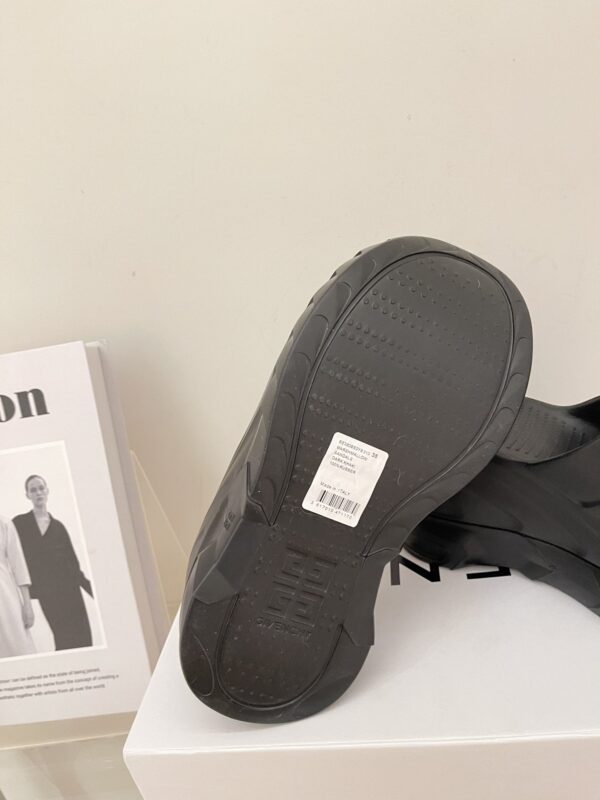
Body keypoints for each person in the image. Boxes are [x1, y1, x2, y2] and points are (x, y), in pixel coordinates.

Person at [13, 475, 94, 651]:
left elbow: (74, 567)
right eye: (33, 490)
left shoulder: (59, 527)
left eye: (41, 488)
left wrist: (94, 592)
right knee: (63, 638)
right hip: (47, 593)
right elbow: (11, 556)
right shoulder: (19, 523)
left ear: (47, 491)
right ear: (27, 495)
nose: (38, 493)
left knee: (82, 639)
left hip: (71, 591)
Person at [0, 514, 35, 658]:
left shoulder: (4, 523)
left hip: (5, 596)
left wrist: (27, 605)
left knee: (19, 648)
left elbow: (19, 564)